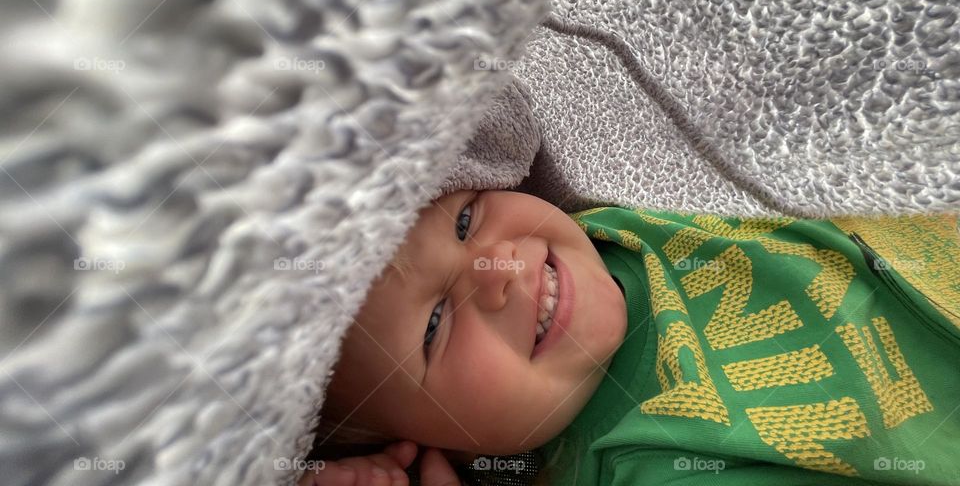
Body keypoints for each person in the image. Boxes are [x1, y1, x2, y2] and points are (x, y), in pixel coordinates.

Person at [299, 189, 960, 485]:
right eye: (434, 325)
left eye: (465, 220)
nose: (495, 268)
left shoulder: (606, 216)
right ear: (425, 446)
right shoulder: (649, 459)